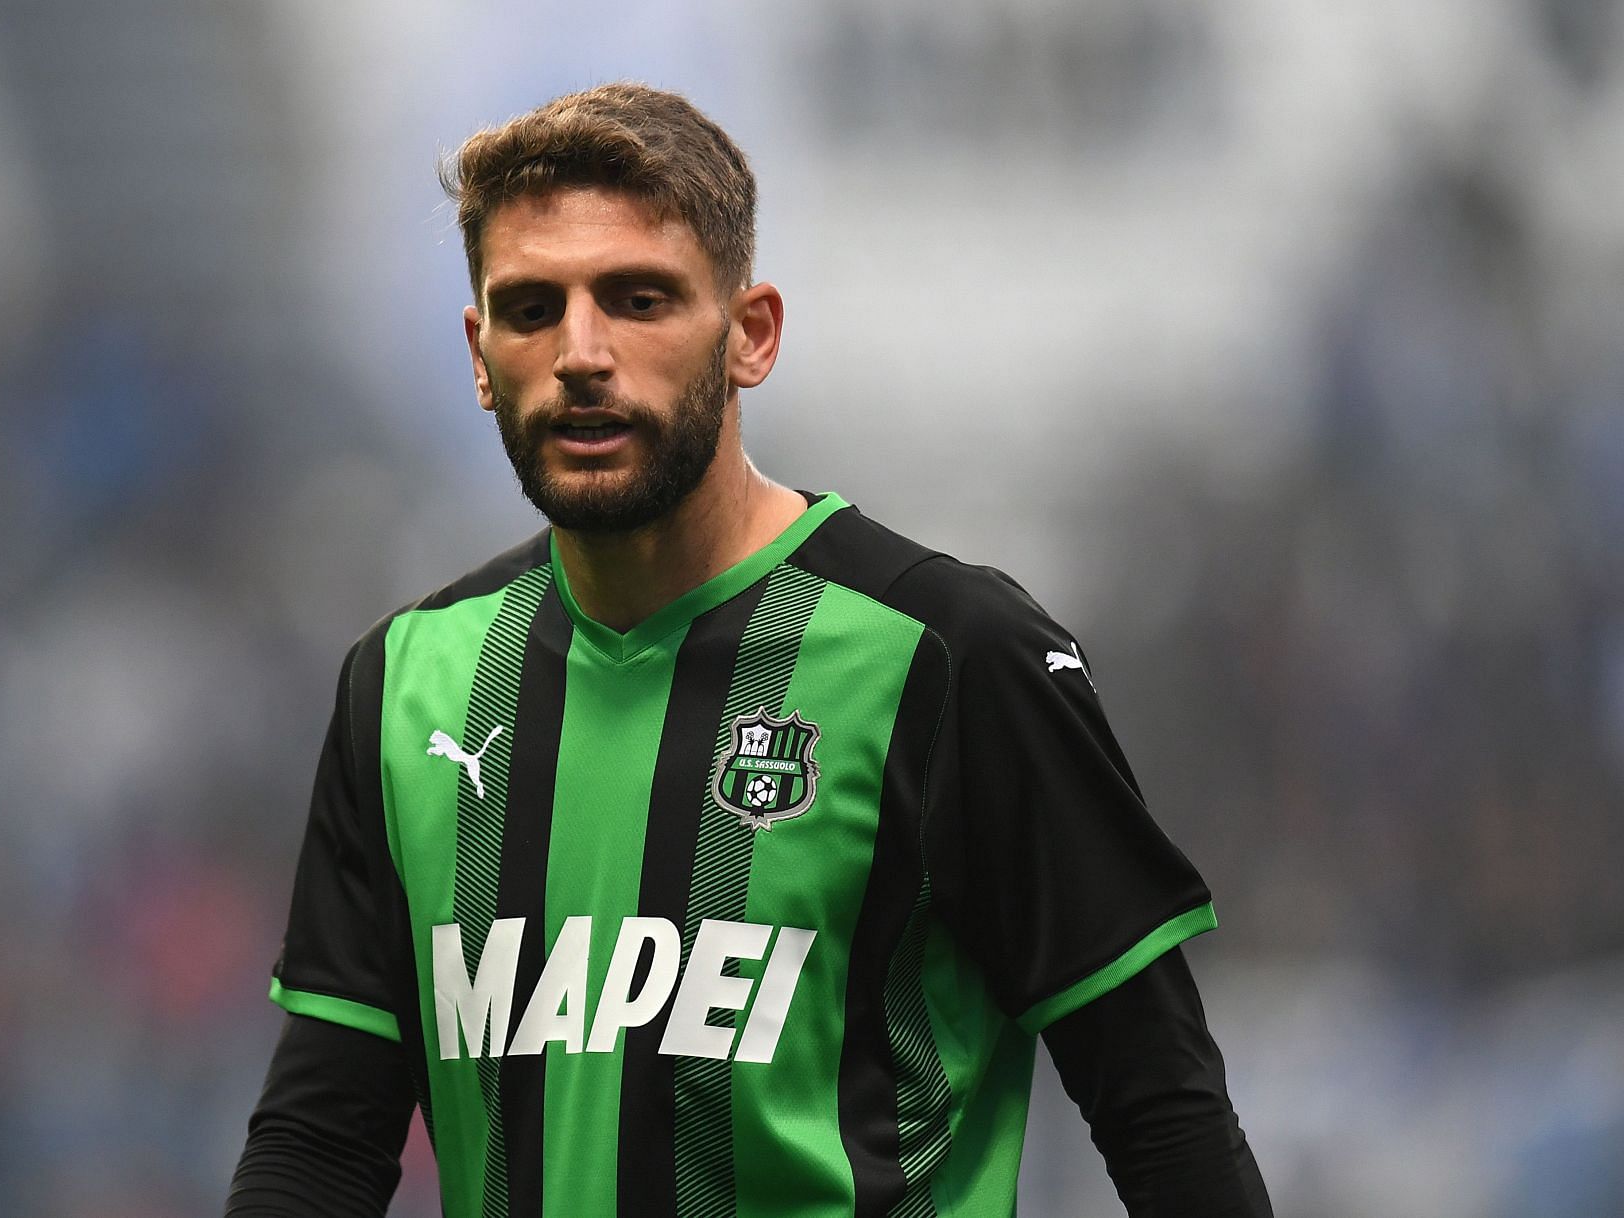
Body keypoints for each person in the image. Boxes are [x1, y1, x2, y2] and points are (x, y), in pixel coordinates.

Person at [225, 82, 1272, 1218]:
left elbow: (1162, 1113)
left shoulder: (949, 657)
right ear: (481, 358)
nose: (581, 351)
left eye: (637, 299)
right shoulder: (404, 688)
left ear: (750, 335)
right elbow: (321, 1145)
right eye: (531, 309)